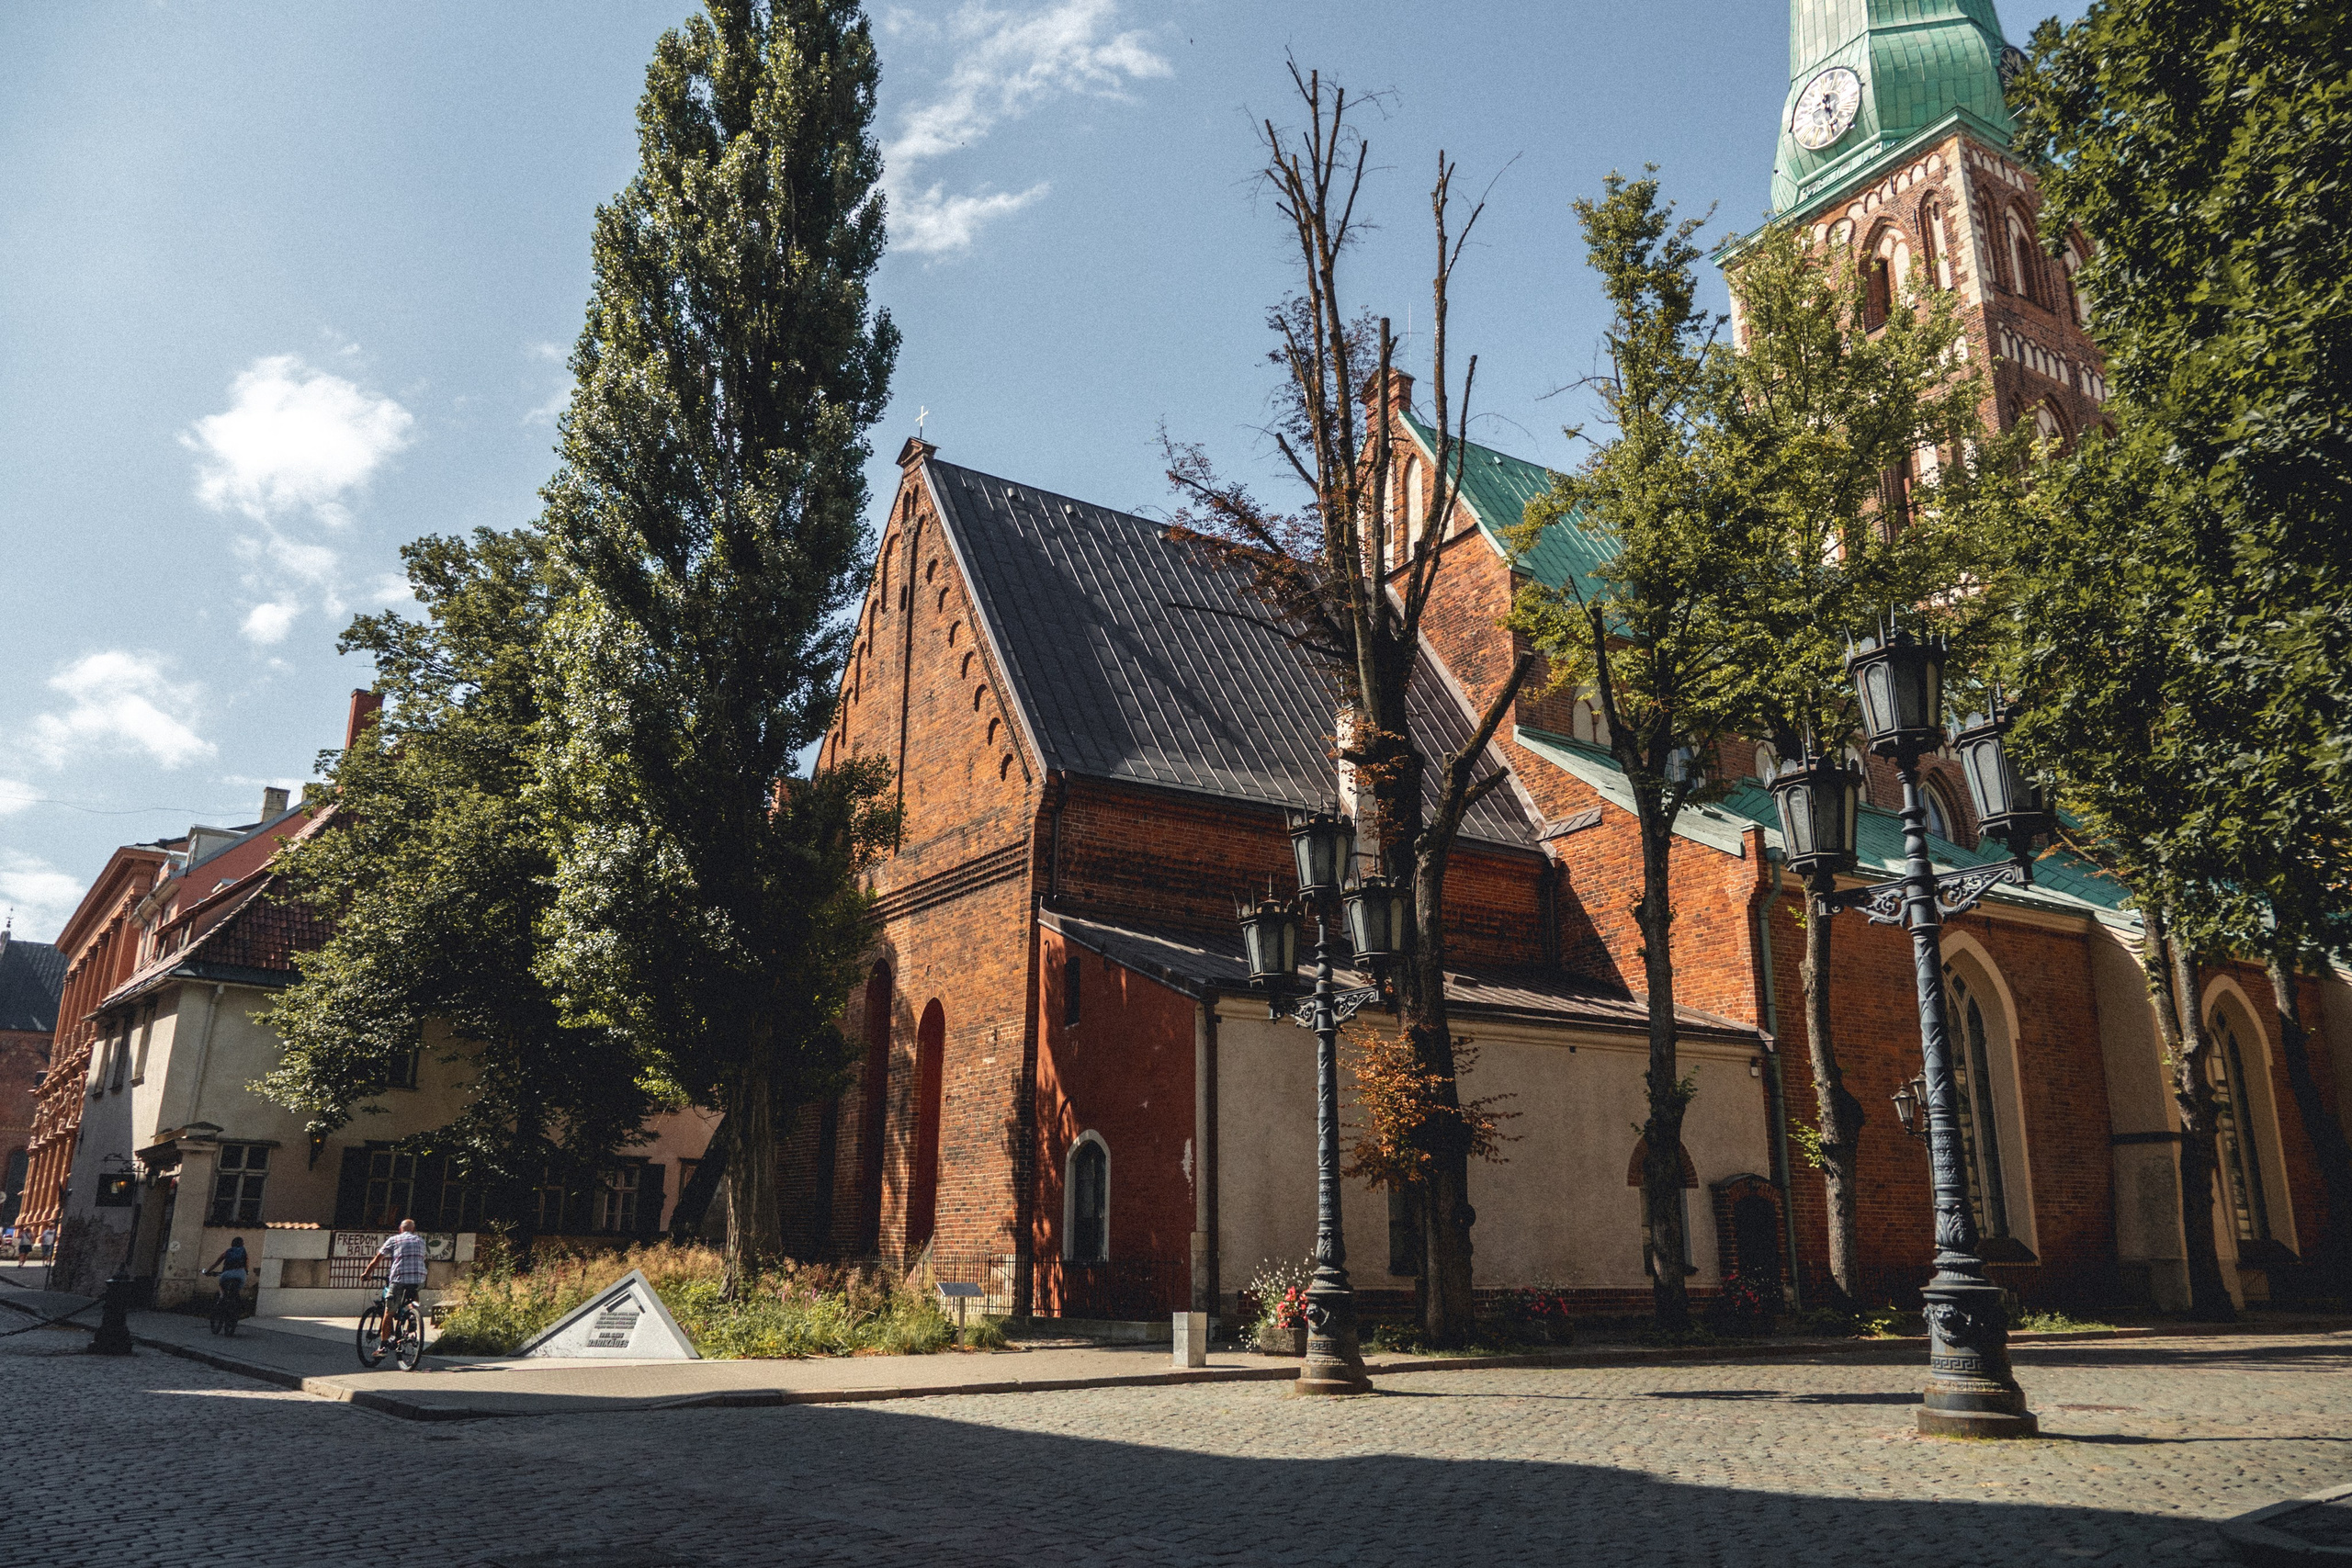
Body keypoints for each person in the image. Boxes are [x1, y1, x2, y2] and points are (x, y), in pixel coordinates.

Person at [360, 1219, 429, 1340]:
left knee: (389, 1312)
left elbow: (377, 1259)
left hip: (399, 1278)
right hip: (420, 1279)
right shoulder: (421, 1241)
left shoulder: (394, 1240)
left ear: (399, 1229)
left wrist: (367, 1273)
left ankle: (383, 1346)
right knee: (413, 1290)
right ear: (413, 1230)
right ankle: (413, 1313)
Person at [203, 1236, 250, 1319]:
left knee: (221, 1285)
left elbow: (217, 1262)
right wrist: (246, 1271)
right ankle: (239, 1310)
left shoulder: (228, 1252)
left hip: (227, 1274)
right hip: (240, 1274)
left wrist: (208, 1271)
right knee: (237, 1290)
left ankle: (221, 1297)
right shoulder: (244, 1251)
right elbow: (246, 1263)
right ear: (242, 1244)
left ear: (232, 1244)